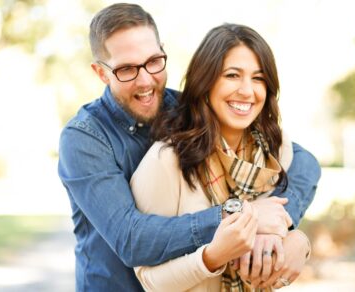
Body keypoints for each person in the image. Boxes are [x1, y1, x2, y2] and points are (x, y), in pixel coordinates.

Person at [57, 3, 321, 291]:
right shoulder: (84, 138)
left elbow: (303, 162)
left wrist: (284, 226)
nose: (146, 81)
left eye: (154, 62)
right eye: (127, 69)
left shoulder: (187, 109)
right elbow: (132, 239)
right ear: (101, 73)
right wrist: (242, 215)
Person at [130, 23, 312, 291]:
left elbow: (280, 221)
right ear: (206, 82)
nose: (247, 91)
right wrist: (214, 256)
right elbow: (149, 279)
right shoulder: (166, 161)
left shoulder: (275, 150)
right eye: (232, 75)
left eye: (258, 78)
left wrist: (299, 242)